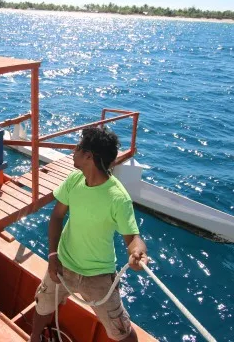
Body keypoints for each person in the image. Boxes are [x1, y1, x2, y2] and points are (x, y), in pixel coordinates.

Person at [29, 127, 149, 342]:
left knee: (122, 332)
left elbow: (133, 239)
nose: (73, 151)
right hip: (62, 265)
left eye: (77, 147)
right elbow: (57, 217)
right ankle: (34, 338)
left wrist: (138, 253)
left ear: (88, 156)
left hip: (98, 277)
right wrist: (52, 256)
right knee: (43, 304)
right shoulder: (74, 180)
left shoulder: (118, 197)